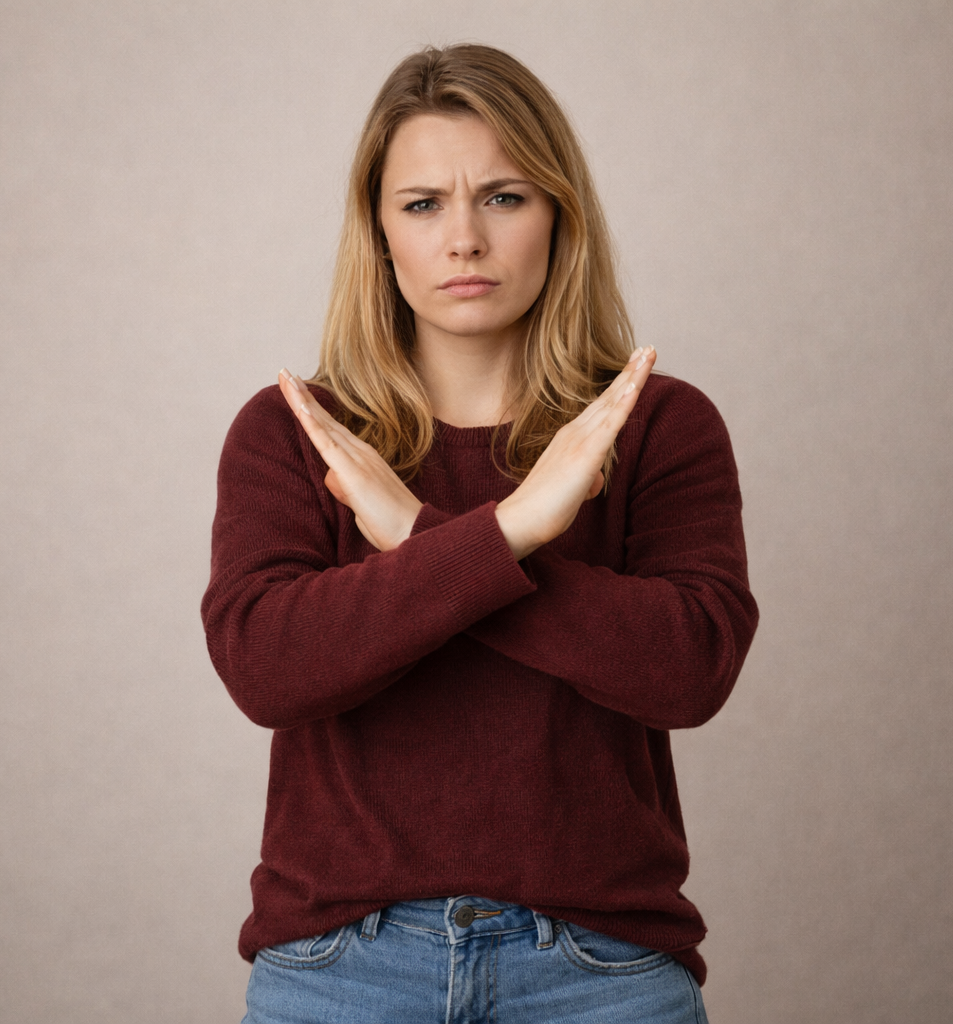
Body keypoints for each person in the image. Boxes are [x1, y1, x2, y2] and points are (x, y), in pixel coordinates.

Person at [201, 43, 757, 1024]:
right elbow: (269, 670)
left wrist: (420, 536)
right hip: (340, 970)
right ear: (379, 233)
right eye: (423, 204)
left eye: (503, 197)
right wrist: (511, 531)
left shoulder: (657, 425)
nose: (463, 238)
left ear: (559, 214)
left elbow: (687, 669)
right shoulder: (297, 434)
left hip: (600, 971)